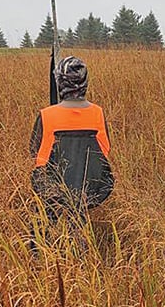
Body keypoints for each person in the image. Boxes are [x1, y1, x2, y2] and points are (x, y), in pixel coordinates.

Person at [29, 56, 114, 248]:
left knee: (40, 231)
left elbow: (35, 154)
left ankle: (40, 258)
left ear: (60, 81)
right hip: (88, 190)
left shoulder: (47, 115)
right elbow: (105, 151)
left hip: (51, 193)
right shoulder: (98, 113)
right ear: (85, 82)